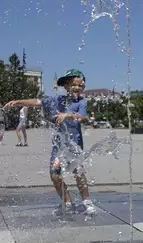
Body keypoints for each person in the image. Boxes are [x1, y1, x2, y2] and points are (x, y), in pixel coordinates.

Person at [5, 69, 95, 214]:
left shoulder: (81, 102)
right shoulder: (56, 100)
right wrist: (18, 102)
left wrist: (67, 115)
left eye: (80, 85)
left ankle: (86, 201)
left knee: (78, 173)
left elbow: (82, 117)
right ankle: (67, 202)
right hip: (59, 147)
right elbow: (37, 101)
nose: (77, 88)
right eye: (74, 85)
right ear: (65, 86)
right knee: (54, 175)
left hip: (74, 146)